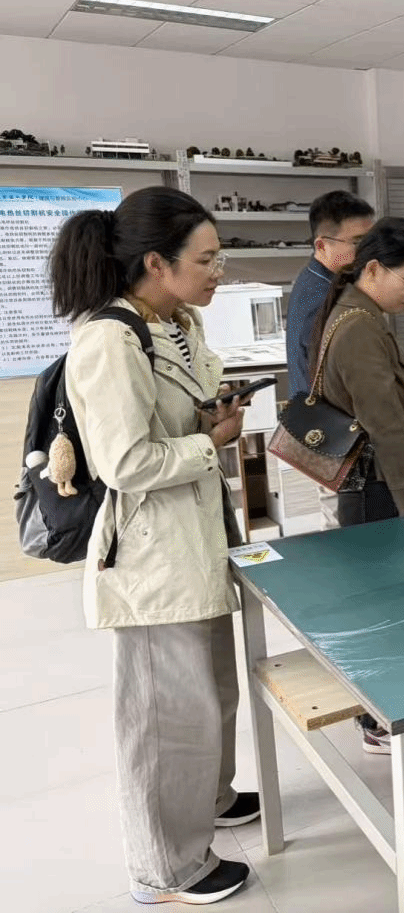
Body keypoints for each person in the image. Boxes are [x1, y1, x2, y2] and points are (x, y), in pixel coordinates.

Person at [51, 186, 257, 905]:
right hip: (150, 554)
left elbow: (181, 410)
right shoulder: (109, 340)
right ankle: (165, 865)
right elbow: (124, 463)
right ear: (156, 264)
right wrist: (208, 444)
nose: (219, 272)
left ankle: (211, 798)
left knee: (211, 690)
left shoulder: (175, 323)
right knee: (166, 715)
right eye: (206, 259)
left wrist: (212, 417)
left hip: (197, 534)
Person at [309, 216, 404, 757]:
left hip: (373, 487)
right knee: (384, 608)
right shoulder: (361, 328)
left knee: (381, 602)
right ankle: (379, 722)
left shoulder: (360, 314)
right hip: (377, 491)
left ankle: (383, 714)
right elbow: (386, 429)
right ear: (371, 270)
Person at [285, 191, 374, 529]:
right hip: (329, 429)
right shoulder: (319, 295)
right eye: (358, 242)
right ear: (322, 245)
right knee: (342, 519)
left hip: (329, 424)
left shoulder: (327, 281)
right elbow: (336, 368)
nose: (368, 251)